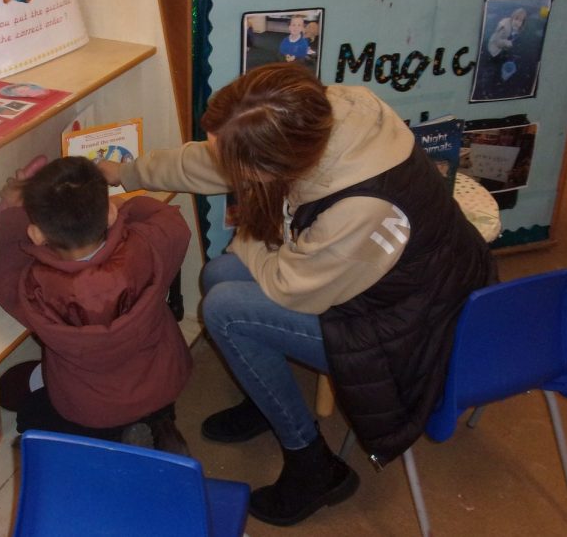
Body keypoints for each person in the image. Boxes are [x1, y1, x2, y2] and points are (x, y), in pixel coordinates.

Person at [98, 63, 497, 526]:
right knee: (220, 274)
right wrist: (127, 172)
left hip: (419, 327)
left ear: (274, 165)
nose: (221, 161)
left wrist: (246, 239)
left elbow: (290, 287)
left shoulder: (362, 208)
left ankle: (312, 463)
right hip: (389, 281)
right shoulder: (318, 116)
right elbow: (212, 160)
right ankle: (264, 392)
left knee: (226, 310)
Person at [0, 156, 193, 455]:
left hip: (90, 407)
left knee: (22, 409)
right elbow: (172, 221)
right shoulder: (148, 245)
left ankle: (113, 439)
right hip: (162, 381)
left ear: (36, 234)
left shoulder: (35, 288)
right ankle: (155, 423)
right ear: (109, 213)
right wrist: (127, 208)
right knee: (20, 388)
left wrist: (12, 210)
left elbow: (4, 267)